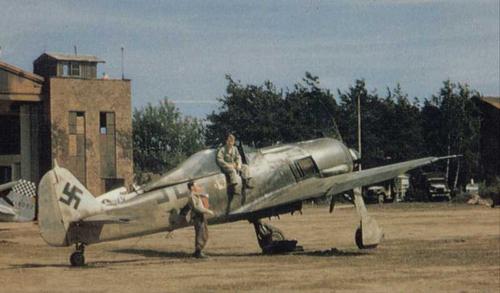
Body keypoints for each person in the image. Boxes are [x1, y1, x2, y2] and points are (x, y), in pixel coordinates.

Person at [187, 181, 214, 258]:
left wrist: (204, 195)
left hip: (199, 216)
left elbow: (199, 194)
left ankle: (198, 251)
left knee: (203, 233)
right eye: (196, 185)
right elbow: (197, 208)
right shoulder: (192, 196)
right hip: (198, 216)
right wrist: (208, 211)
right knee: (201, 233)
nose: (197, 187)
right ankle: (198, 252)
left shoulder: (194, 195)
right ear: (192, 187)